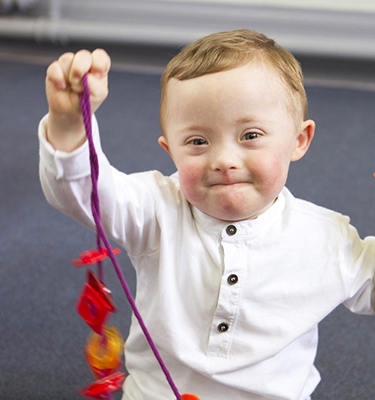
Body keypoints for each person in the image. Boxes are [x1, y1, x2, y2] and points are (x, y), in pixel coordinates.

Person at [39, 29, 375, 400]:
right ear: (171, 151)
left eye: (250, 135)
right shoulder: (157, 208)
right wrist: (69, 124)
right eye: (198, 142)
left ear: (298, 140)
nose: (224, 161)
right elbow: (82, 193)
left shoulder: (326, 237)